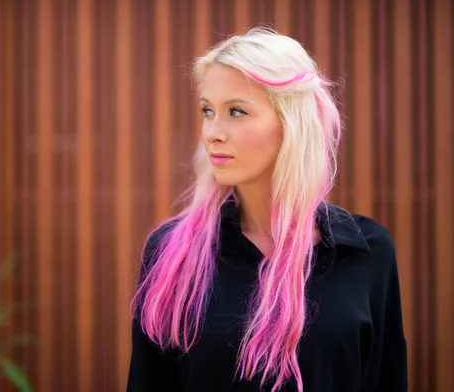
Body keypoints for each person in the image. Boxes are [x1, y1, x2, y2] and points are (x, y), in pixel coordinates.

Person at [126, 27, 408, 392]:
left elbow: (385, 378)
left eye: (236, 111)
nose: (212, 131)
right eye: (207, 110)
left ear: (291, 123)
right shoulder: (172, 251)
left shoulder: (367, 250)